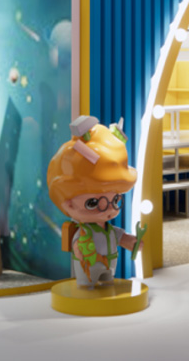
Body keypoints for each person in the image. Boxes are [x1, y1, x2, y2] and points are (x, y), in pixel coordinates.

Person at [46, 116, 145, 288]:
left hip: (109, 265)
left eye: (115, 200)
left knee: (108, 286)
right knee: (86, 288)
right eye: (92, 203)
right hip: (88, 266)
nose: (108, 209)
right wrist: (78, 249)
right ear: (69, 204)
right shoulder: (84, 232)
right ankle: (86, 287)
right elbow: (77, 243)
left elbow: (120, 237)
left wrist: (130, 241)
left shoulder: (109, 230)